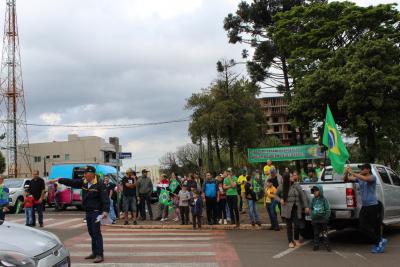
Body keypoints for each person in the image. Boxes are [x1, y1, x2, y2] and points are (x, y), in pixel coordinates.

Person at [51, 166, 109, 263]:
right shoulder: (84, 182)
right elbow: (72, 182)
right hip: (88, 211)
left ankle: (99, 254)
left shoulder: (99, 184)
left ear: (92, 174)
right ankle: (94, 253)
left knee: (96, 233)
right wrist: (59, 179)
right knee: (91, 233)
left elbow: (105, 199)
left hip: (96, 212)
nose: (85, 176)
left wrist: (105, 211)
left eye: (86, 174)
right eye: (85, 174)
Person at [346, 164, 388, 253]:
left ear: (368, 170)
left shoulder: (372, 177)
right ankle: (380, 240)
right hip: (364, 206)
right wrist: (347, 171)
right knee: (362, 226)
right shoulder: (359, 178)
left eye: (362, 168)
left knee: (373, 226)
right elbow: (348, 179)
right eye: (360, 168)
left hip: (373, 206)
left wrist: (353, 172)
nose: (360, 170)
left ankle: (378, 244)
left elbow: (365, 179)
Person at [275, 171, 310, 248]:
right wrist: (280, 200)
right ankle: (290, 241)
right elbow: (275, 195)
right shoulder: (281, 186)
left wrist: (306, 206)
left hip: (296, 207)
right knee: (289, 225)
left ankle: (296, 239)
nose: (292, 178)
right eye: (290, 177)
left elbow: (302, 196)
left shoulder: (296, 185)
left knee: (297, 224)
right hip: (287, 209)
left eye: (292, 176)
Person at [310, 185, 331, 251]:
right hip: (315, 219)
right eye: (314, 191)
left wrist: (326, 218)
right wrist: (312, 215)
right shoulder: (313, 200)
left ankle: (327, 244)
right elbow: (311, 208)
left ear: (320, 191)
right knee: (316, 233)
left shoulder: (324, 199)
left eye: (316, 191)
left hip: (323, 219)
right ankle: (316, 245)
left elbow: (328, 209)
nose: (315, 192)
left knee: (324, 232)